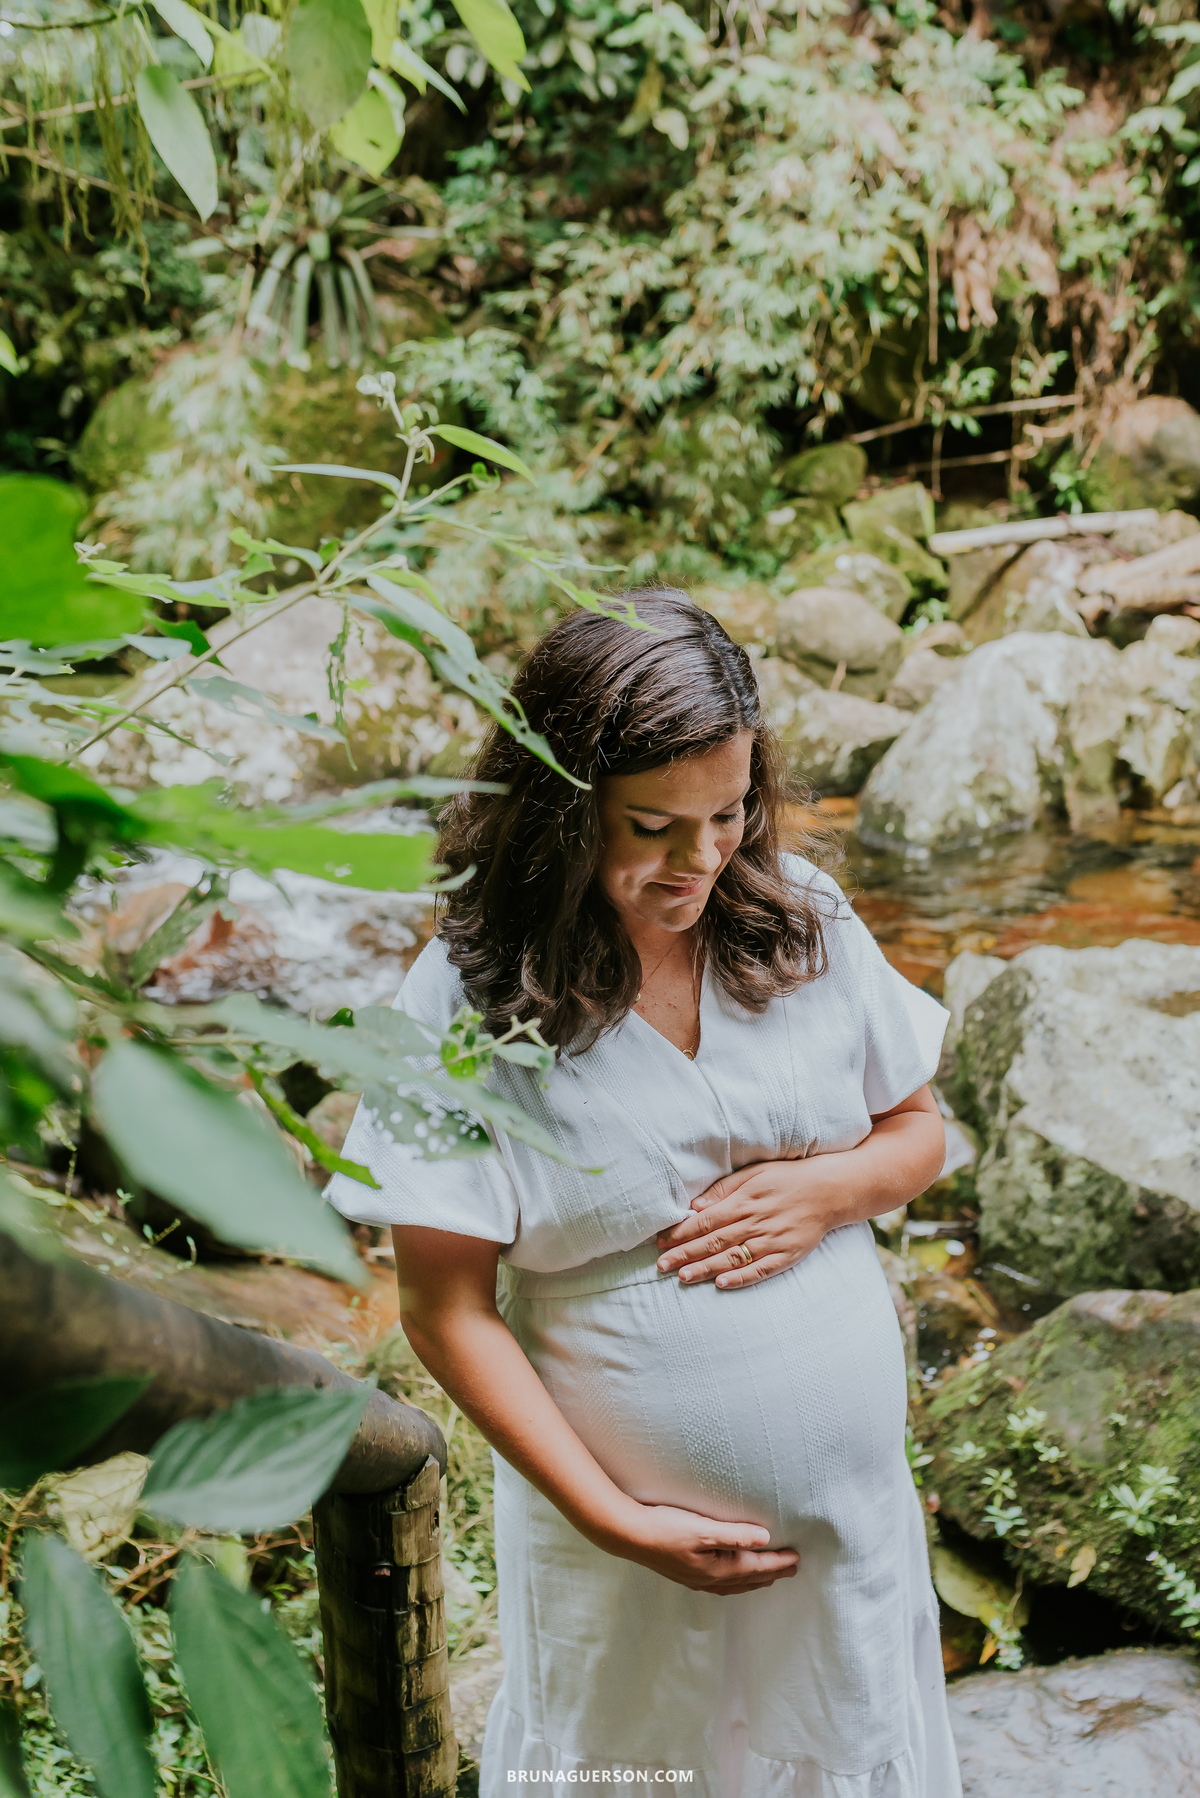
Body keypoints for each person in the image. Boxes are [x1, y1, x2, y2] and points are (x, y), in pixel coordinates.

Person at [327, 589, 962, 1798]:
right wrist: (614, 1516)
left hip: (844, 1536)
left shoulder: (800, 920)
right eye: (653, 826)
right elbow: (445, 1307)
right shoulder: (467, 998)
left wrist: (828, 1193)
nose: (703, 858)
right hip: (614, 1549)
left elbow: (920, 1132)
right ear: (561, 811)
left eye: (728, 812)